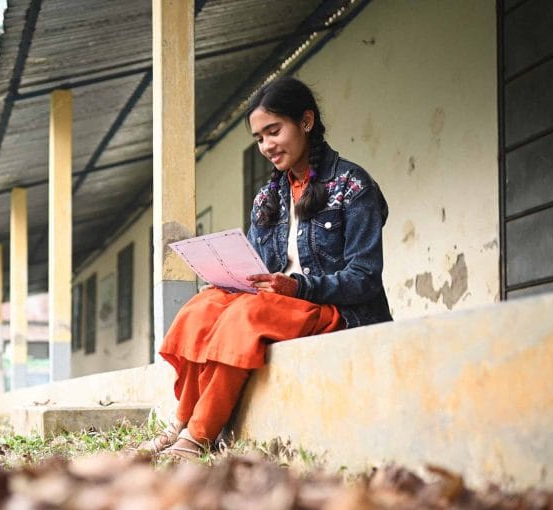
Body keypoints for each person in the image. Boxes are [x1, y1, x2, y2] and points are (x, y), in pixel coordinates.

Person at [138, 76, 393, 458]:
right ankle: (182, 420)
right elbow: (256, 269)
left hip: (337, 309)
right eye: (259, 138)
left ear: (306, 121)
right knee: (202, 308)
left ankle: (200, 434)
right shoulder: (267, 198)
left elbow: (365, 277)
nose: (267, 146)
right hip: (281, 305)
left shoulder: (352, 186)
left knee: (247, 314)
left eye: (274, 131)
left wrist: (299, 287)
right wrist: (228, 280)